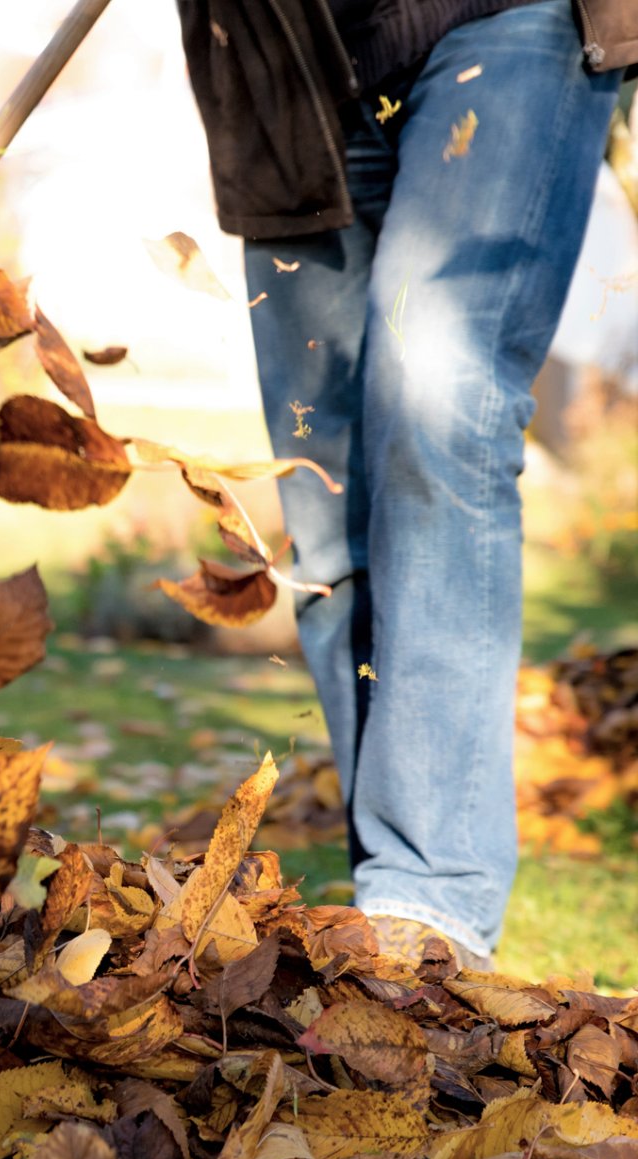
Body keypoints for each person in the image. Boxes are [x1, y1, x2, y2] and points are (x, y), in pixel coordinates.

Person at [175, 0, 635, 970]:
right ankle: (386, 910)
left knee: (438, 397)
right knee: (322, 497)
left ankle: (430, 898)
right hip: (282, 63)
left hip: (509, 20)